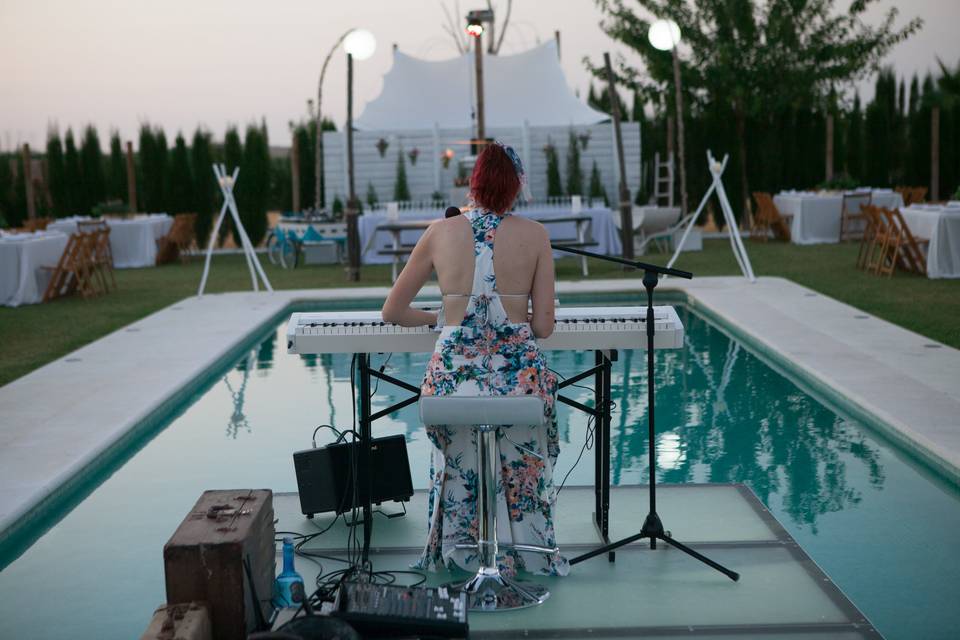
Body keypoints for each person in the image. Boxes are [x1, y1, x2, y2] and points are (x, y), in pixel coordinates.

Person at [381, 142, 569, 577]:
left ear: (474, 181)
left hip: (451, 384)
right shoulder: (535, 235)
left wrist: (440, 318)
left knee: (461, 449)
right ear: (516, 187)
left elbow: (391, 311)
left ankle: (463, 551)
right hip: (516, 383)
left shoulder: (438, 232)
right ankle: (525, 552)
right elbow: (542, 328)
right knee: (525, 438)